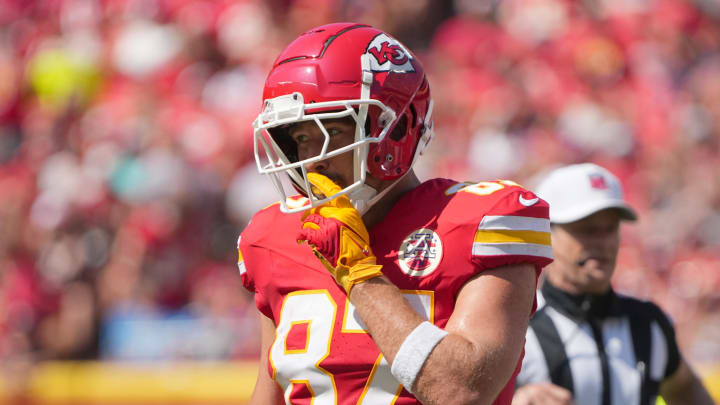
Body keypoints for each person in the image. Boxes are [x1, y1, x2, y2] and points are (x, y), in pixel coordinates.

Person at [237, 23, 554, 405]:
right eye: (301, 138)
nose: (312, 160)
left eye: (333, 131)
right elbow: (269, 391)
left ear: (397, 128)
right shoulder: (272, 236)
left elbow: (461, 392)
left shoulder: (480, 220)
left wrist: (359, 274)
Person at [513, 163, 716, 405]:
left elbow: (684, 388)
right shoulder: (517, 328)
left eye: (610, 229)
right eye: (586, 230)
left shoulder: (647, 323)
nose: (602, 242)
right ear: (547, 233)